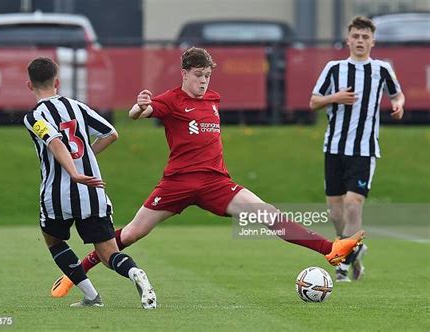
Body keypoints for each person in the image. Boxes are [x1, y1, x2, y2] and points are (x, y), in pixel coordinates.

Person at [50, 47, 365, 298]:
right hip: (177, 184)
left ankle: (329, 249)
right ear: (185, 73)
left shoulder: (213, 99)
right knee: (131, 233)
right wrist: (139, 106)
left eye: (208, 76)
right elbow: (140, 113)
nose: (204, 81)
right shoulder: (171, 100)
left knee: (266, 214)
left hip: (216, 183)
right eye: (199, 75)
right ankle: (74, 271)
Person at [23, 57, 156, 308]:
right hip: (93, 191)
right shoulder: (77, 106)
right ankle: (135, 273)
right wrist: (86, 159)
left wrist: (73, 172)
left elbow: (55, 142)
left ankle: (92, 297)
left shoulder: (34, 116)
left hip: (58, 194)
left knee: (53, 240)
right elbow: (111, 134)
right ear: (57, 82)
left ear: (29, 85)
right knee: (108, 254)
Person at [309, 17, 405, 282]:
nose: (360, 41)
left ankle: (343, 263)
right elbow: (314, 101)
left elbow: (397, 94)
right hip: (334, 148)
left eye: (365, 37)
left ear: (372, 41)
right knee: (336, 212)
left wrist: (398, 105)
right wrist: (334, 98)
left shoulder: (382, 69)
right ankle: (354, 247)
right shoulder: (333, 68)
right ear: (348, 39)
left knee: (353, 205)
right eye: (356, 36)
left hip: (364, 150)